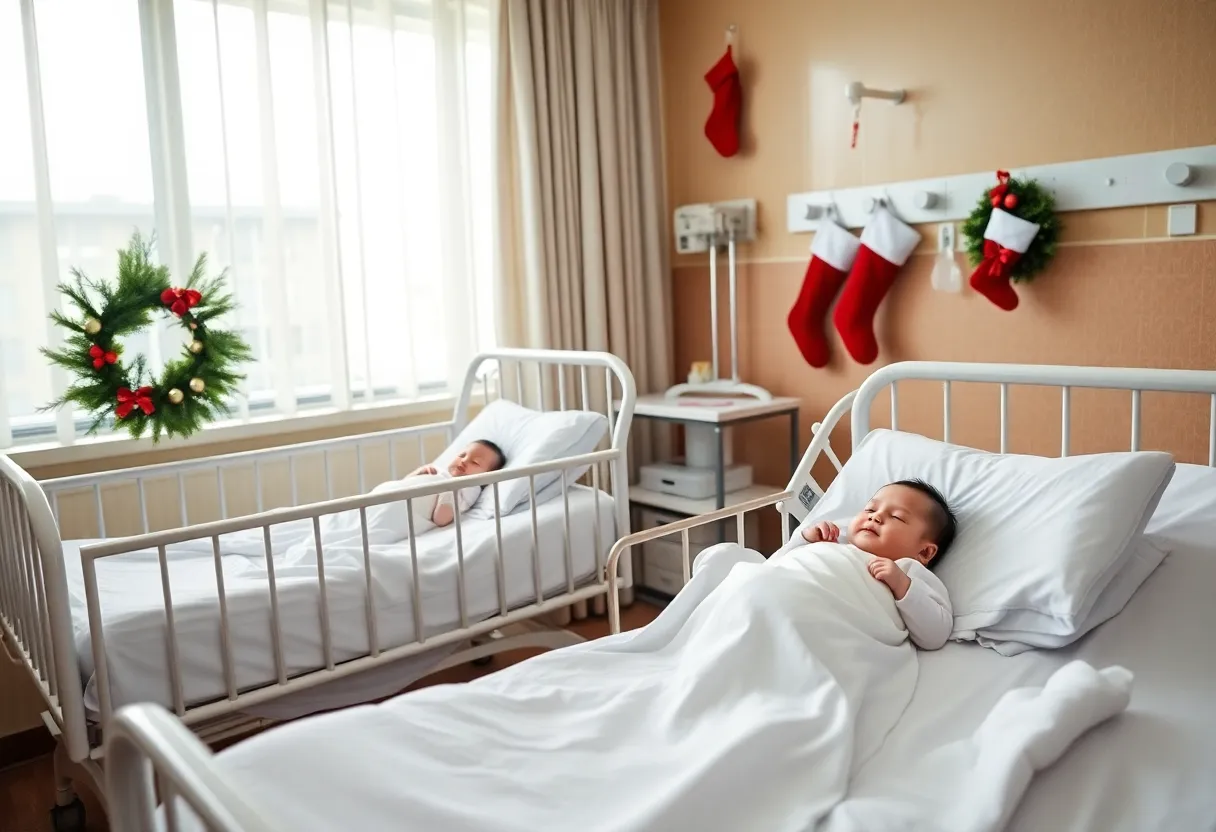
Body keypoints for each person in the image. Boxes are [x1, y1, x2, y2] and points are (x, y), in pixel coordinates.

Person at [799, 478, 957, 649]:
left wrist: (902, 585)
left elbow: (936, 635)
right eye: (870, 509)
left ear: (924, 552)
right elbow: (782, 561)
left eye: (897, 517)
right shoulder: (835, 542)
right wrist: (806, 539)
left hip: (828, 624)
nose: (876, 516)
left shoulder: (908, 572)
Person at [405, 440, 507, 527]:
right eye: (462, 455)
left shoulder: (470, 487)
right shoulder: (440, 471)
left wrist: (448, 488)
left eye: (475, 462)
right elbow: (403, 484)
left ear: (485, 478)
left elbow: (441, 519)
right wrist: (419, 472)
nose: (464, 460)